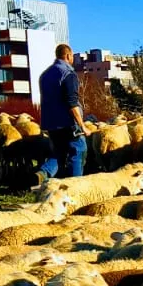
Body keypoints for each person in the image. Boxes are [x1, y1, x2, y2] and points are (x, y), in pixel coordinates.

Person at [37, 44, 85, 186]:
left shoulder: (45, 75)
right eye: (72, 57)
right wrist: (82, 125)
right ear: (68, 56)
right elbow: (72, 103)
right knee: (78, 150)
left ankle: (42, 173)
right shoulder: (68, 74)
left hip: (50, 123)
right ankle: (74, 186)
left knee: (59, 153)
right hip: (68, 123)